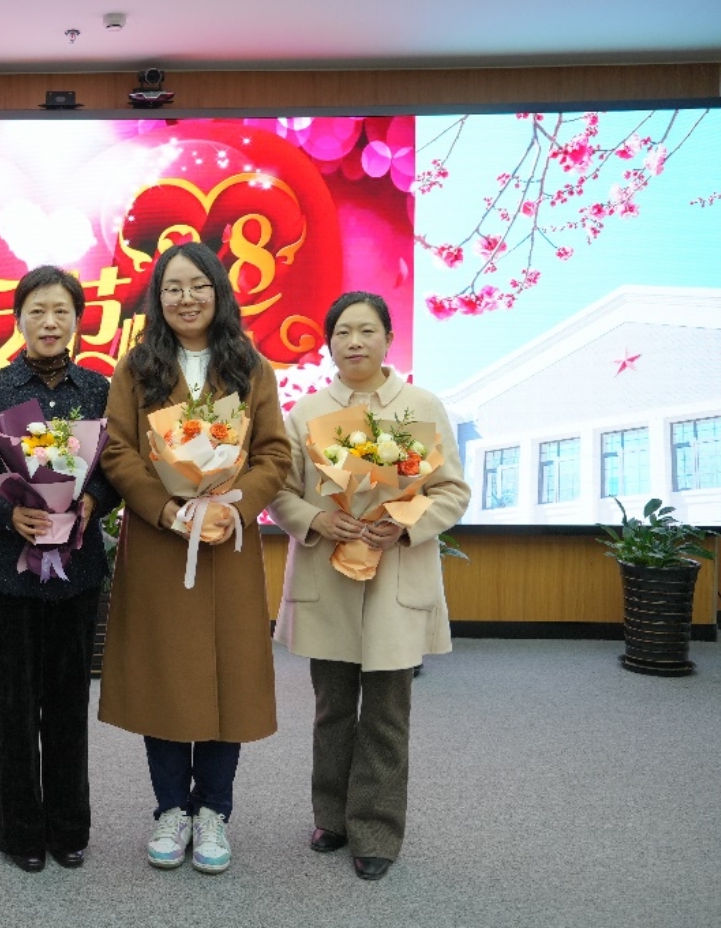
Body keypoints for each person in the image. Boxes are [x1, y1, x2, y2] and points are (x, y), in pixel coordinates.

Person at [99, 241, 291, 874]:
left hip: (226, 543)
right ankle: (169, 809)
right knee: (163, 673)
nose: (186, 299)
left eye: (198, 286)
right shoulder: (138, 367)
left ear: (218, 292)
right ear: (157, 298)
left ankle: (213, 810)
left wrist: (235, 508)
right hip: (161, 544)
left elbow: (273, 454)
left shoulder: (250, 366)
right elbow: (119, 451)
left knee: (227, 675)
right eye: (172, 288)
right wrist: (169, 510)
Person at [267, 291, 470, 881]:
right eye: (342, 332)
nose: (354, 342)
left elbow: (451, 491)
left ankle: (376, 830)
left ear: (388, 339)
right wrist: (316, 519)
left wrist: (402, 522)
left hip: (394, 577)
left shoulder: (421, 406)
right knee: (332, 709)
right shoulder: (306, 412)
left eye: (367, 331)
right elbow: (280, 491)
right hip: (327, 576)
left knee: (386, 713)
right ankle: (331, 816)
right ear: (329, 344)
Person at [0, 265, 121, 873]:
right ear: (19, 318)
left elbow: (114, 470)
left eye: (61, 312)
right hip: (6, 572)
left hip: (77, 572)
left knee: (69, 703)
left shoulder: (99, 389)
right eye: (37, 311)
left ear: (78, 320)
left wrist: (93, 499)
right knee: (15, 706)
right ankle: (20, 832)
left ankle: (69, 828)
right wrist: (9, 513)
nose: (49, 323)